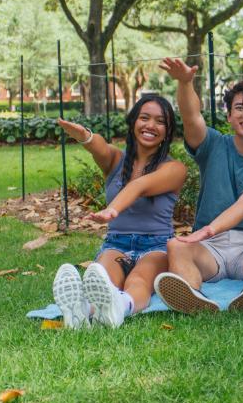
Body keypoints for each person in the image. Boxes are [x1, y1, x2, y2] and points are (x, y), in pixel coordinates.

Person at [153, 58, 243, 314]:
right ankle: (193, 296)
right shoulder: (213, 145)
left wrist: (207, 230)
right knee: (176, 246)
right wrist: (185, 83)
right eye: (239, 107)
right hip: (209, 249)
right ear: (229, 116)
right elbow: (191, 115)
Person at [52, 94, 187, 329]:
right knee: (104, 278)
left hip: (156, 246)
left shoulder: (174, 169)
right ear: (133, 121)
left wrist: (112, 210)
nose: (150, 126)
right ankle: (81, 312)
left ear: (167, 131)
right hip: (117, 244)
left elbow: (140, 185)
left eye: (160, 121)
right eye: (144, 118)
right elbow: (101, 147)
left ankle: (120, 308)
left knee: (139, 278)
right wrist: (85, 136)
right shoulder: (116, 161)